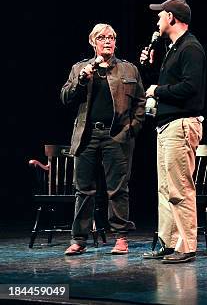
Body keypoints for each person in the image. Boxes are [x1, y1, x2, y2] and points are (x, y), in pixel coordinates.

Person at [61, 23, 145, 255]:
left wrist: (132, 128)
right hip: (87, 135)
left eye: (111, 37)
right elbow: (66, 97)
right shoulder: (80, 68)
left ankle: (120, 238)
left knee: (118, 189)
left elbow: (140, 102)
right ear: (93, 42)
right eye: (102, 37)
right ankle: (79, 239)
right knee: (84, 190)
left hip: (116, 135)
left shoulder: (129, 70)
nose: (107, 41)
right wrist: (81, 79)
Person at [141, 0, 205, 264]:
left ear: (171, 17)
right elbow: (174, 82)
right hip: (166, 126)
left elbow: (190, 88)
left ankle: (186, 245)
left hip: (181, 125)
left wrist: (157, 90)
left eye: (160, 16)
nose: (157, 21)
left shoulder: (191, 48)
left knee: (180, 188)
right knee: (165, 189)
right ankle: (168, 242)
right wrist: (151, 66)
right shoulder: (173, 49)